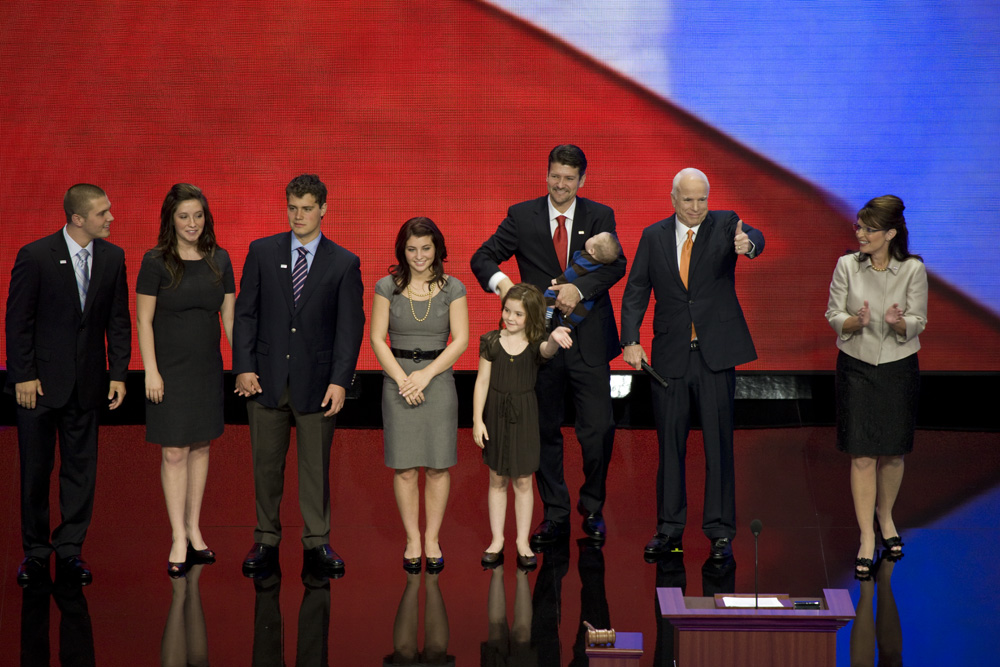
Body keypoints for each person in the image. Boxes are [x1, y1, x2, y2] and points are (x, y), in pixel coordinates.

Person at [471, 144, 626, 547]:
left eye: (569, 178)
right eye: (555, 176)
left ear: (582, 180)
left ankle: (592, 509)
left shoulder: (599, 215)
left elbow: (617, 264)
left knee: (599, 430)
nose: (561, 184)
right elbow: (482, 257)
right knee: (544, 430)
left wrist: (578, 287)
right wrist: (506, 287)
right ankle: (554, 513)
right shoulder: (522, 215)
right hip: (537, 344)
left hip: (589, 342)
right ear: (547, 174)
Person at [620, 167, 764, 560]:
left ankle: (720, 532)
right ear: (673, 199)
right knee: (669, 446)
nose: (697, 207)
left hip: (715, 356)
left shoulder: (725, 225)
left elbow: (755, 238)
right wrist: (630, 340)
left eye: (702, 199)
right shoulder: (653, 237)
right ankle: (668, 529)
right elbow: (635, 291)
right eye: (689, 199)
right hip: (669, 359)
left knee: (719, 445)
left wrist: (747, 245)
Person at [233, 174, 365, 578]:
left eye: (307, 208)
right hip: (265, 379)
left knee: (314, 468)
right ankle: (265, 539)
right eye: (293, 207)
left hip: (319, 383)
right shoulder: (261, 251)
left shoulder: (343, 262)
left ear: (324, 209)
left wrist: (341, 380)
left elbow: (350, 327)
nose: (299, 216)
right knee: (266, 467)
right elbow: (246, 314)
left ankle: (317, 541)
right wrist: (243, 366)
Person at [5, 183, 131, 586]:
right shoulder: (36, 256)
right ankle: (36, 553)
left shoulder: (113, 258)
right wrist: (23, 375)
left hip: (88, 385)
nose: (110, 218)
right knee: (36, 472)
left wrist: (118, 373)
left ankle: (71, 550)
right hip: (38, 388)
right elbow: (18, 322)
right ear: (78, 218)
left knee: (80, 471)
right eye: (102, 213)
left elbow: (118, 320)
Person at [136, 184, 235, 578]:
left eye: (197, 216)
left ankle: (195, 529)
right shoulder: (155, 260)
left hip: (207, 369)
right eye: (183, 216)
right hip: (169, 371)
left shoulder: (220, 259)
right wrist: (152, 370)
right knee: (173, 451)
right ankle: (177, 534)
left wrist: (242, 364)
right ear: (171, 220)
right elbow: (144, 320)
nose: (192, 223)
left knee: (199, 447)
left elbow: (230, 319)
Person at [825, 195, 926, 579]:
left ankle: (886, 517)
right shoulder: (847, 266)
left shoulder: (913, 269)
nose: (861, 234)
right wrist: (855, 321)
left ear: (890, 233)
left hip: (899, 368)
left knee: (894, 453)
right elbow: (833, 313)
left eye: (868, 229)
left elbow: (919, 319)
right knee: (863, 455)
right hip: (856, 366)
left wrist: (900, 323)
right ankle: (867, 535)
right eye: (859, 227)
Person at [370, 217, 469, 573]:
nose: (419, 256)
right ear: (402, 250)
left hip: (438, 382)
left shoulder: (453, 288)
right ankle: (413, 537)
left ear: (437, 249)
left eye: (425, 248)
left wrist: (425, 376)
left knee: (439, 466)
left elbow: (460, 340)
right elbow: (376, 339)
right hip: (397, 382)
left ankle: (432, 538)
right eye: (411, 249)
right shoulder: (386, 286)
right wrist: (402, 380)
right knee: (406, 467)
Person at [473, 284, 573, 569]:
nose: (511, 317)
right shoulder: (491, 341)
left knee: (523, 481)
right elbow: (481, 382)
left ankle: (522, 541)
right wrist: (477, 419)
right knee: (497, 478)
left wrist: (554, 337)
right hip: (495, 414)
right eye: (507, 310)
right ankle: (497, 540)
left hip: (525, 415)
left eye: (518, 313)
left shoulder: (535, 342)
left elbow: (547, 349)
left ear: (531, 316)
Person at [544, 231, 621, 329]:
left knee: (549, 294)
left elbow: (572, 273)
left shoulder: (585, 261)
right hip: (586, 305)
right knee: (567, 324)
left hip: (570, 294)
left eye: (594, 237)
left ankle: (547, 317)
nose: (591, 236)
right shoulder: (600, 264)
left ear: (592, 251)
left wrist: (558, 281)